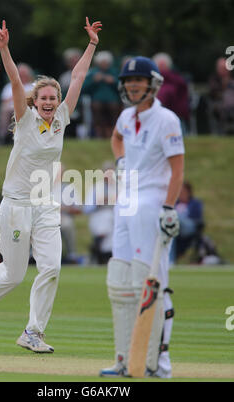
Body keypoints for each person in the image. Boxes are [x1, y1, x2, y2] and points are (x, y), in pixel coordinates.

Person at [0, 18, 102, 353]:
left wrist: (92, 45)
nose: (49, 102)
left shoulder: (62, 120)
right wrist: (3, 48)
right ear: (34, 100)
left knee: (52, 267)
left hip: (45, 203)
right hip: (16, 204)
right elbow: (15, 80)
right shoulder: (25, 121)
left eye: (53, 97)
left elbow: (80, 77)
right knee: (13, 274)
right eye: (43, 97)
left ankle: (33, 332)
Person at [100, 56, 184, 378]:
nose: (133, 86)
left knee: (149, 283)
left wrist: (168, 207)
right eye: (128, 81)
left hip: (151, 201)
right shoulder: (125, 116)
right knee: (119, 281)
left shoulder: (167, 120)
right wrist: (120, 162)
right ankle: (125, 360)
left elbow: (178, 169)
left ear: (153, 84)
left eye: (139, 81)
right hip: (126, 200)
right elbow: (117, 138)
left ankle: (157, 363)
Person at [83, 161, 116, 264]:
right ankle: (100, 253)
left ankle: (105, 254)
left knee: (111, 218)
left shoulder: (119, 187)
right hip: (98, 216)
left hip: (116, 216)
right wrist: (98, 203)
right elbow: (86, 208)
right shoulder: (96, 188)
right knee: (106, 218)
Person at [83, 50, 121, 138]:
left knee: (113, 109)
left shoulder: (115, 72)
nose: (104, 64)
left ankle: (111, 134)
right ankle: (99, 134)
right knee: (97, 110)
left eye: (106, 62)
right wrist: (93, 81)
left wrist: (114, 81)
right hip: (96, 101)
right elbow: (84, 88)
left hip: (113, 102)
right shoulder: (92, 72)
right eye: (102, 62)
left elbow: (122, 87)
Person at [153, 52, 190, 135]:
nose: (162, 68)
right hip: (172, 112)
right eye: (160, 65)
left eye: (163, 65)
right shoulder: (178, 78)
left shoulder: (176, 79)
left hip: (175, 111)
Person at [0, 63, 35, 143]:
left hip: (27, 107)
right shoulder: (8, 86)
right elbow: (4, 101)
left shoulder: (33, 86)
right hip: (11, 107)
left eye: (24, 74)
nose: (22, 77)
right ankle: (3, 136)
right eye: (20, 74)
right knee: (5, 109)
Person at [170, 181, 204, 264]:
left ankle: (175, 217)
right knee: (171, 232)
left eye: (183, 191)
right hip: (176, 227)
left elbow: (197, 218)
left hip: (189, 226)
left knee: (174, 216)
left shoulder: (195, 203)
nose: (181, 193)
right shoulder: (175, 203)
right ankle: (170, 260)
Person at [207, 57, 234, 135]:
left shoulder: (232, 79)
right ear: (217, 69)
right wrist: (224, 85)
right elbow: (213, 93)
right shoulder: (213, 79)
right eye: (222, 68)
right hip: (218, 106)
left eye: (225, 68)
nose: (224, 70)